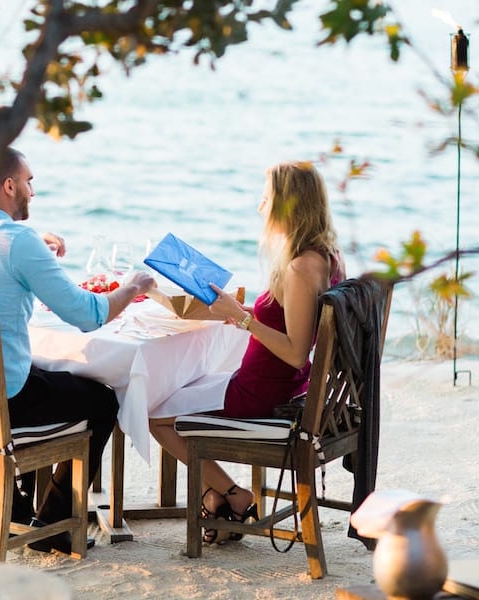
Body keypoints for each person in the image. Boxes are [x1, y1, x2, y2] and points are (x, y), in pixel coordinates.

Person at [149, 160, 345, 544]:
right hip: (275, 384)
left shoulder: (301, 268)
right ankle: (218, 497)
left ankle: (232, 494)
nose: (261, 208)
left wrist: (241, 319)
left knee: (153, 414)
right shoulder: (325, 255)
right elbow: (292, 326)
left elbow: (294, 352)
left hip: (262, 392)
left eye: (266, 199)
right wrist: (234, 313)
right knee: (176, 393)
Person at [0, 147, 156, 554]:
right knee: (102, 401)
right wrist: (132, 287)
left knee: (47, 374)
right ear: (9, 185)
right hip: (0, 405)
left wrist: (33, 244)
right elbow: (87, 315)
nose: (32, 191)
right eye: (28, 181)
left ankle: (20, 512)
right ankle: (54, 524)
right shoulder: (17, 241)